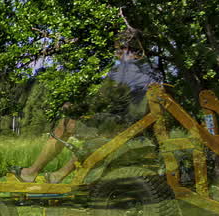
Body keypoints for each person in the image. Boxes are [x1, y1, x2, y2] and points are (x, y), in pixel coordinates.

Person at [11, 32, 162, 183]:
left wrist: (73, 109)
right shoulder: (152, 69)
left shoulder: (122, 71)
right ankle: (59, 175)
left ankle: (31, 172)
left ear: (126, 49)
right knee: (93, 137)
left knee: (64, 125)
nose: (116, 55)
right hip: (137, 125)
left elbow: (99, 100)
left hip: (120, 126)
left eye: (117, 50)